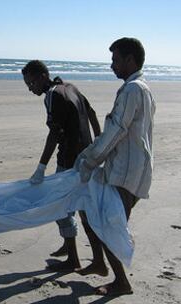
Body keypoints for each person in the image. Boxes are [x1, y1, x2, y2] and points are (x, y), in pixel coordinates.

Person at [75, 37, 155, 296]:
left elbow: (116, 130)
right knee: (101, 218)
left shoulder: (132, 90)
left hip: (125, 172)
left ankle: (121, 282)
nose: (112, 65)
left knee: (108, 226)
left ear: (130, 60)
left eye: (115, 60)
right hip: (131, 169)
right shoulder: (142, 87)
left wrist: (90, 159)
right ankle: (103, 265)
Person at [22, 60, 101, 272]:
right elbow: (91, 113)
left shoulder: (52, 96)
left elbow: (54, 134)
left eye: (30, 83)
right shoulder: (70, 87)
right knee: (79, 208)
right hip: (86, 156)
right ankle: (72, 248)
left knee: (60, 209)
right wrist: (98, 142)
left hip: (69, 161)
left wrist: (40, 167)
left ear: (41, 77)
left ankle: (74, 259)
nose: (30, 89)